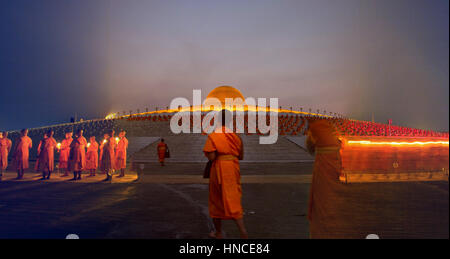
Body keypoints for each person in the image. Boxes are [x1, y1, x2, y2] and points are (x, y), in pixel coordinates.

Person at [203, 109, 248, 239]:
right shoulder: (236, 136)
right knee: (233, 199)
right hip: (233, 169)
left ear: (217, 120)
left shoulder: (214, 135)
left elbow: (211, 157)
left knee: (216, 200)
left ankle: (218, 233)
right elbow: (241, 156)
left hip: (219, 170)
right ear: (230, 120)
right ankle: (243, 231)